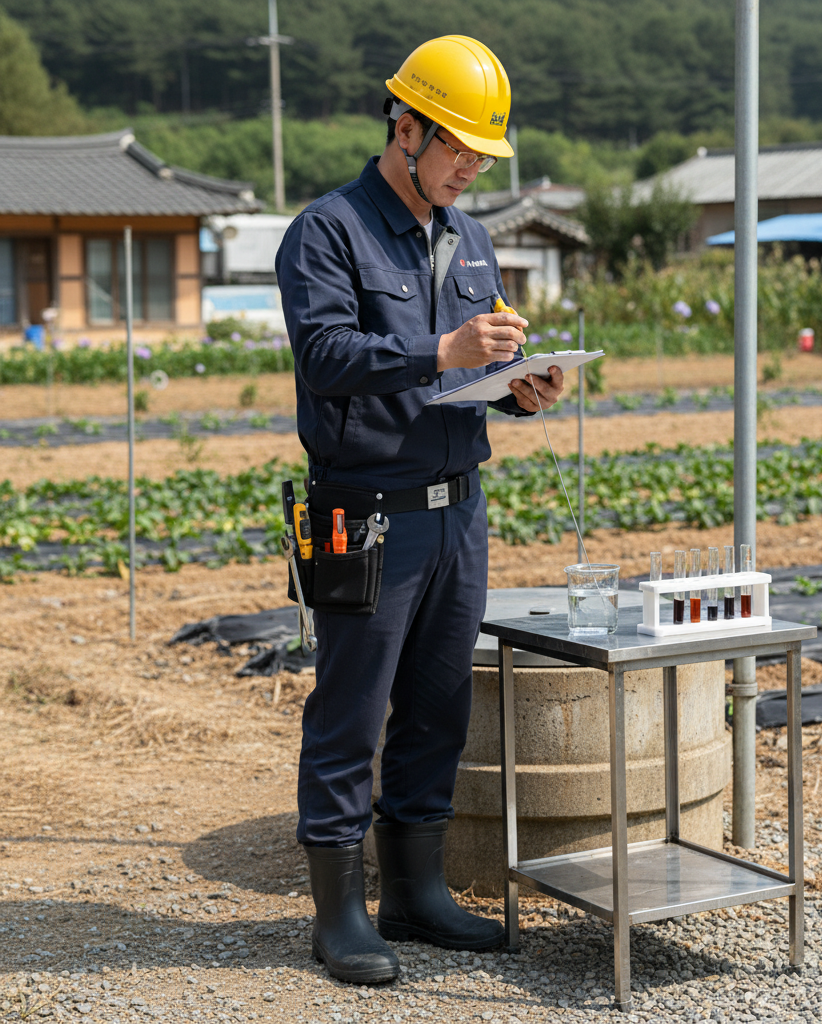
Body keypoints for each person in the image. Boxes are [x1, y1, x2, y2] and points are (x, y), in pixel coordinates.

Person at [276, 35, 564, 985]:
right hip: (367, 511)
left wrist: (514, 389)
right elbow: (324, 357)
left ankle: (417, 891)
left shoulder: (470, 236)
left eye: (483, 157)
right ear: (405, 128)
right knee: (353, 713)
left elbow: (467, 372)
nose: (469, 169)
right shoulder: (327, 231)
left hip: (458, 511)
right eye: (457, 151)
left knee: (439, 707)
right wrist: (443, 351)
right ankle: (341, 912)